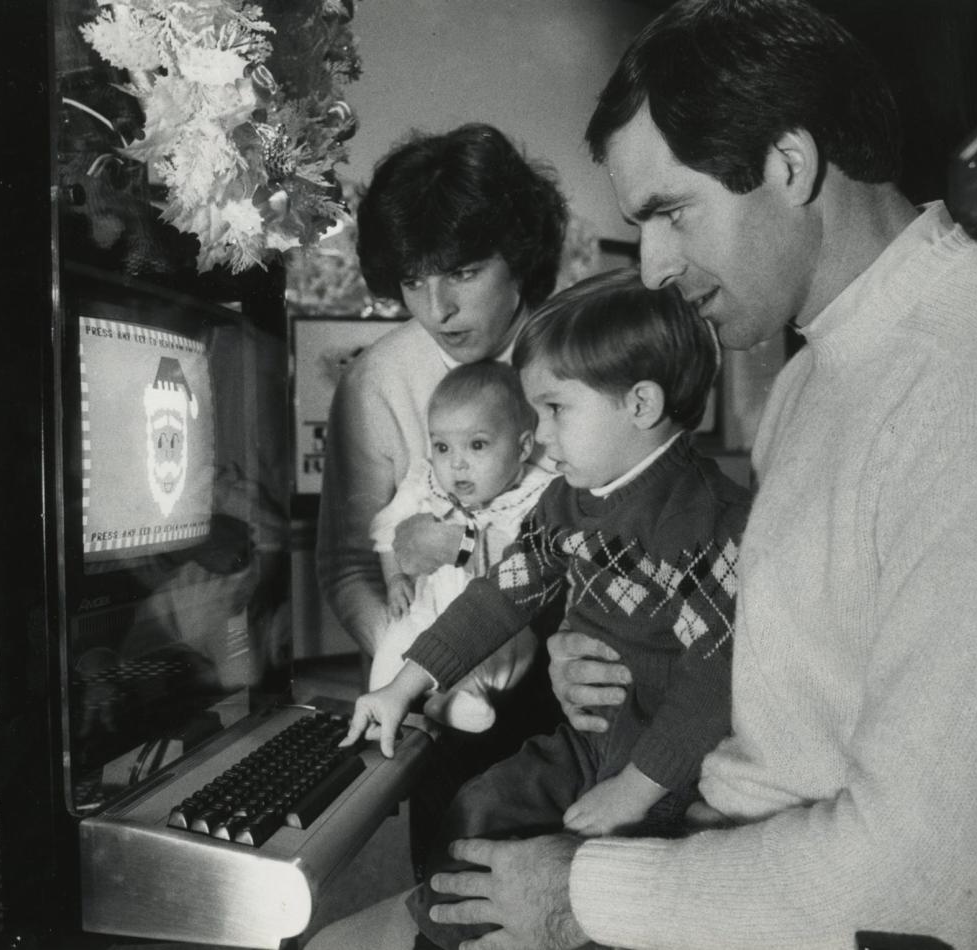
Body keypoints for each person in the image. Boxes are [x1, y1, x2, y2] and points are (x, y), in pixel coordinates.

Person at [308, 2, 977, 948]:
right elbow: (776, 670)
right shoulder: (813, 381)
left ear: (790, 163)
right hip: (716, 871)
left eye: (672, 214)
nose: (657, 267)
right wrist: (579, 646)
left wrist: (583, 898)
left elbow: (929, 892)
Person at [343, 268, 751, 950]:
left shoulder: (707, 522)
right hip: (587, 742)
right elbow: (500, 595)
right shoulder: (566, 501)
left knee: (603, 874)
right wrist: (402, 684)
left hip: (670, 767)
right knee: (477, 808)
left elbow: (717, 682)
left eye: (556, 409)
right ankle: (451, 935)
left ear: (641, 404)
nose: (537, 434)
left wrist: (635, 792)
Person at [314, 122, 569, 879]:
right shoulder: (377, 381)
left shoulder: (585, 352)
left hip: (585, 699)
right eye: (413, 281)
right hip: (444, 709)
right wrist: (412, 664)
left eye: (462, 272)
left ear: (519, 256)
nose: (438, 308)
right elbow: (345, 562)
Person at [369, 360, 555, 733]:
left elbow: (531, 562)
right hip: (429, 604)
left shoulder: (539, 494)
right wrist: (395, 580)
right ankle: (384, 700)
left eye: (477, 445)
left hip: (497, 617)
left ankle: (463, 695)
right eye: (442, 446)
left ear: (522, 447)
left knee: (510, 646)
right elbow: (387, 532)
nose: (456, 464)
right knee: (397, 636)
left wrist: (467, 545)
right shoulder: (426, 483)